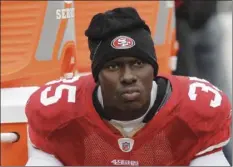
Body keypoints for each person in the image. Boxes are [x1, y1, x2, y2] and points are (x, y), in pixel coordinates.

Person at [25, 7, 231, 166]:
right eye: (113, 66)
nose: (128, 77)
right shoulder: (58, 111)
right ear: (96, 75)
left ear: (154, 69)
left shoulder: (196, 108)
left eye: (138, 64)